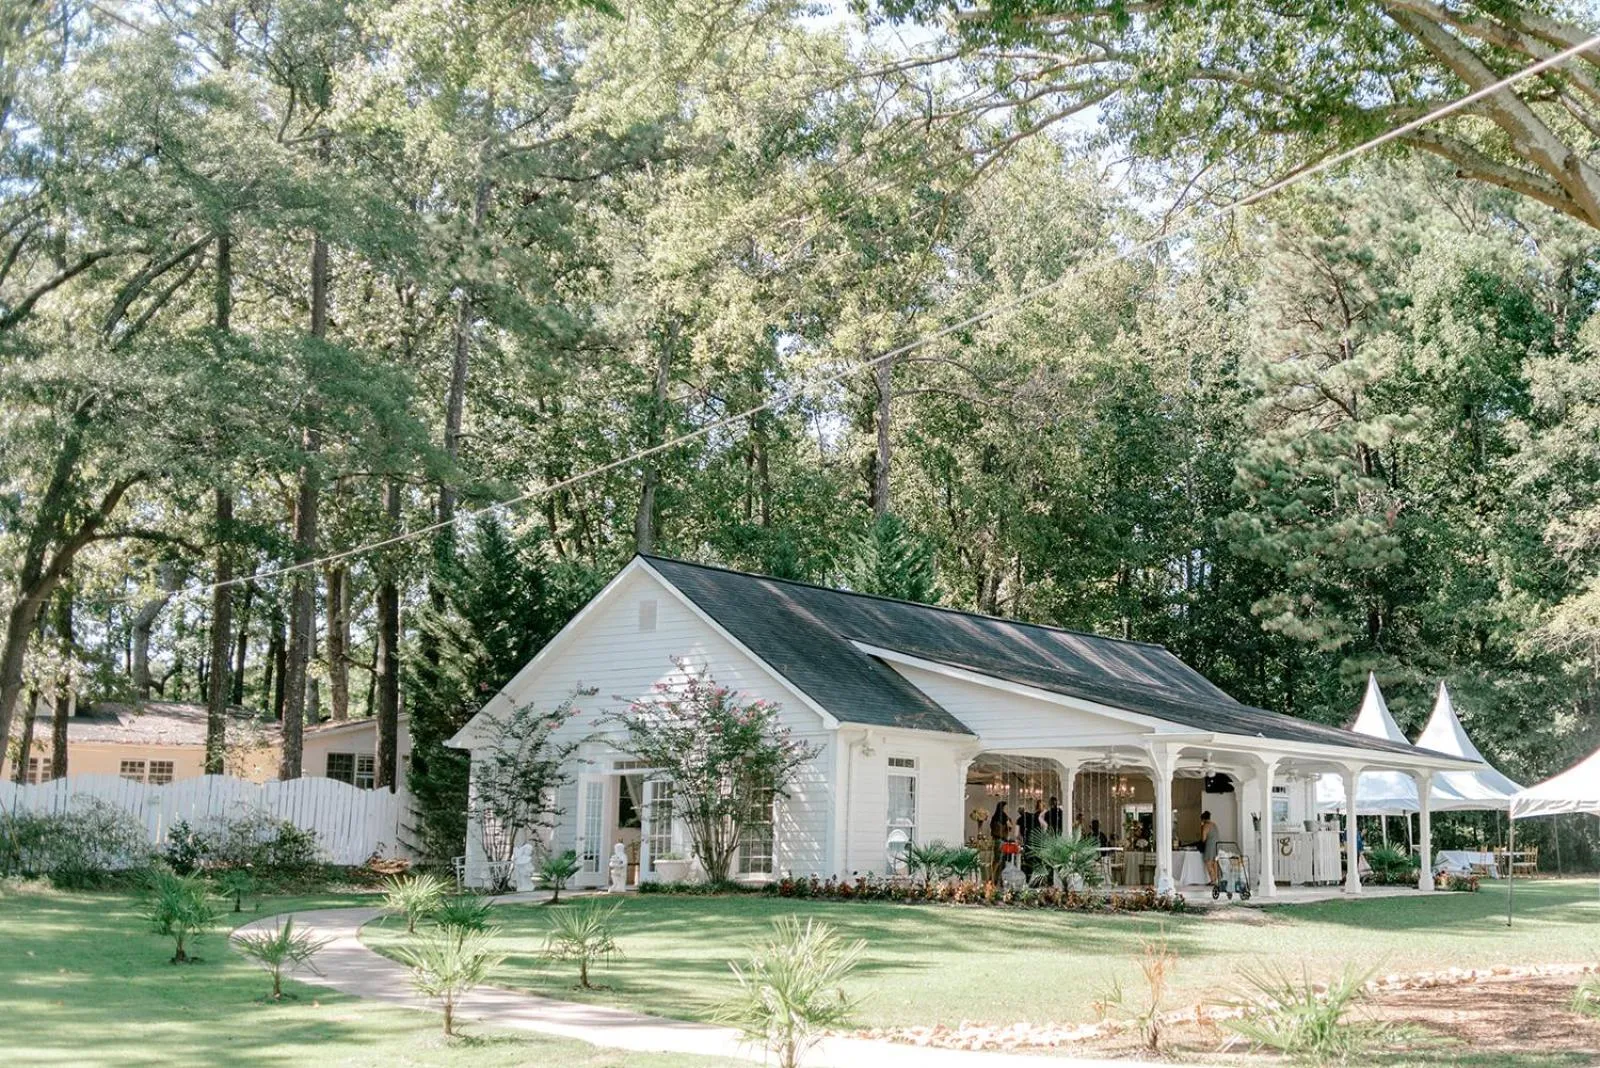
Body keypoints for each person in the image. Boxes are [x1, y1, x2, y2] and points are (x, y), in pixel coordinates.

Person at [1018, 799, 1043, 878]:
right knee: (1036, 859)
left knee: (1028, 859)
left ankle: (1029, 877)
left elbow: (1017, 834)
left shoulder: (1020, 819)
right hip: (1036, 841)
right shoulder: (1033, 816)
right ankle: (1038, 877)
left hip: (1028, 841)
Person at [989, 801, 1012, 876]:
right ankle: (992, 879)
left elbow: (991, 827)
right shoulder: (1004, 816)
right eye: (1006, 807)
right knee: (999, 861)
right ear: (1003, 808)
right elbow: (1010, 827)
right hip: (1001, 840)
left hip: (995, 840)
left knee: (996, 860)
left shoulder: (994, 816)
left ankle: (992, 877)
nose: (1007, 809)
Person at [1200, 809, 1220, 885]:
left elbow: (1203, 838)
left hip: (1210, 845)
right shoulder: (1214, 824)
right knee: (1215, 862)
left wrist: (1202, 828)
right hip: (1217, 845)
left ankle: (1213, 880)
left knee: (1208, 862)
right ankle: (1216, 880)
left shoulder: (1206, 826)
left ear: (1203, 819)